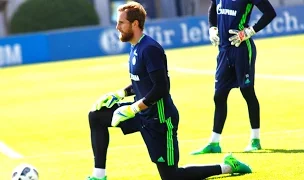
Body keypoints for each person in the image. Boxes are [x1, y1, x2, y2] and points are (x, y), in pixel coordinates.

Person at [87, 1, 252, 180]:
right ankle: (99, 176)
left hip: (161, 121)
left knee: (171, 177)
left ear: (135, 24)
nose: (117, 27)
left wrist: (132, 108)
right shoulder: (135, 46)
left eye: (121, 23)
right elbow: (142, 82)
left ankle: (227, 166)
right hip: (143, 114)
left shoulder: (149, 48)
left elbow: (161, 87)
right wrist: (120, 94)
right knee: (96, 116)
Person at [191, 0, 277, 155]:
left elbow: (270, 13)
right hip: (223, 51)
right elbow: (213, 8)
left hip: (242, 48)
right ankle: (214, 143)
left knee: (247, 92)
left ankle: (255, 140)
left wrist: (249, 32)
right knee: (219, 96)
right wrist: (212, 28)